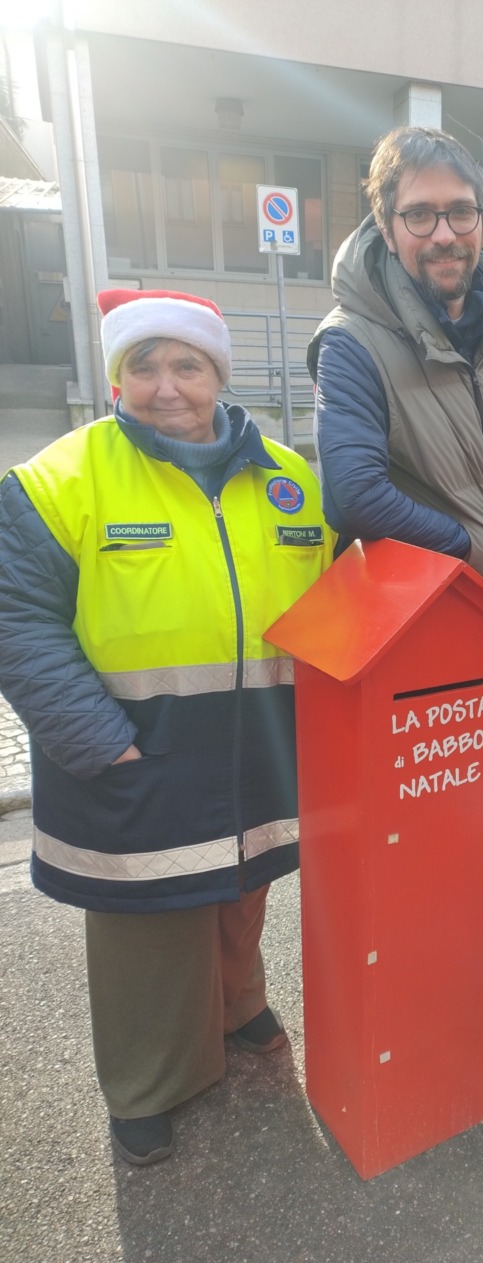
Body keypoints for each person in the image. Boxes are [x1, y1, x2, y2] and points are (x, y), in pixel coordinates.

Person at [0, 289, 334, 1167]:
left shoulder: (291, 479)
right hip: (130, 741)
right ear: (118, 379)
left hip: (257, 741)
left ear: (219, 374)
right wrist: (95, 738)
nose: (166, 386)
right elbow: (17, 617)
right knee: (145, 918)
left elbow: (337, 597)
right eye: (142, 366)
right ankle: (147, 1081)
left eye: (187, 364)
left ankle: (237, 1005)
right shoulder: (58, 479)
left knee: (241, 887)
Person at [307, 125, 483, 984]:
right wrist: (469, 555)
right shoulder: (352, 340)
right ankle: (418, 968)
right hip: (432, 623)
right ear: (385, 222)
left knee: (481, 792)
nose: (444, 234)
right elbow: (353, 495)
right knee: (423, 802)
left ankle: (470, 940)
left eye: (460, 212)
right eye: (420, 215)